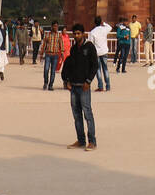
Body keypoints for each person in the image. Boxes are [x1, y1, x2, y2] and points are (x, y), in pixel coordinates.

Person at [61, 23, 98, 151]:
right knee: (77, 115)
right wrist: (67, 81)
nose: (76, 36)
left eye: (78, 33)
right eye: (74, 34)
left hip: (84, 86)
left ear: (83, 34)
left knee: (87, 113)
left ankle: (92, 141)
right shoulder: (74, 49)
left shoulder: (89, 47)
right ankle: (81, 140)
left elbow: (95, 65)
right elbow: (70, 66)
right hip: (74, 86)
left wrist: (88, 81)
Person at [88, 16, 112, 92]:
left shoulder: (92, 32)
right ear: (100, 22)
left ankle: (100, 86)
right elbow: (110, 27)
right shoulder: (104, 29)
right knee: (105, 69)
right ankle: (108, 86)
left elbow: (90, 43)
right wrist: (103, 23)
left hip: (97, 53)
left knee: (98, 70)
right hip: (104, 51)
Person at [41, 21, 63, 90]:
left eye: (57, 26)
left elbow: (61, 45)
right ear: (52, 27)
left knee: (53, 71)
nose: (55, 27)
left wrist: (62, 53)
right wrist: (41, 53)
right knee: (46, 69)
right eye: (54, 26)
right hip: (48, 54)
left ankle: (51, 85)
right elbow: (44, 44)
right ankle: (45, 82)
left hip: (55, 55)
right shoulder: (47, 35)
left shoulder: (59, 35)